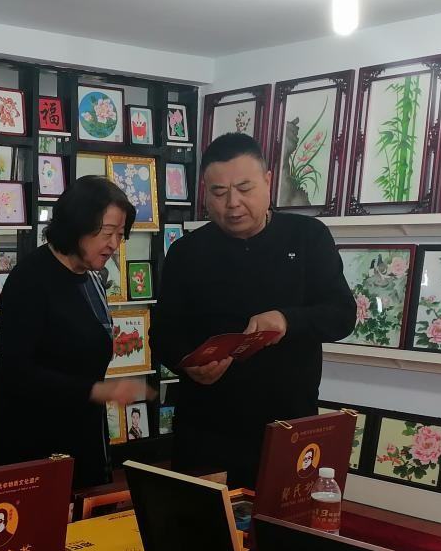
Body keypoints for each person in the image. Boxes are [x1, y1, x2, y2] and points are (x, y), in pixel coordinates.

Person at [152, 133, 355, 489]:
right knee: (203, 519)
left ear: (268, 181)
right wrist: (187, 362)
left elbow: (342, 314)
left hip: (287, 424)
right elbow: (162, 334)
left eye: (245, 188)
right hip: (207, 427)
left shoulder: (308, 237)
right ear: (204, 192)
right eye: (219, 193)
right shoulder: (187, 252)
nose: (233, 204)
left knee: (279, 519)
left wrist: (287, 320)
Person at [0, 175, 148, 488]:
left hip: (82, 431)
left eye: (120, 234)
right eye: (107, 233)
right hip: (32, 441)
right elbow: (14, 373)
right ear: (76, 226)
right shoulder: (30, 279)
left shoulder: (92, 278)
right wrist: (94, 390)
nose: (114, 244)